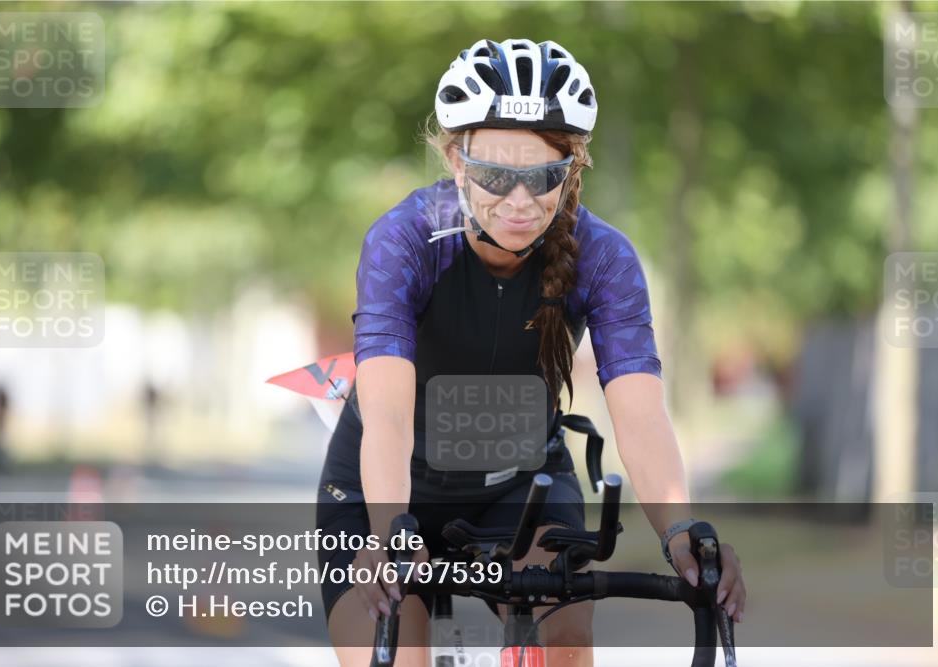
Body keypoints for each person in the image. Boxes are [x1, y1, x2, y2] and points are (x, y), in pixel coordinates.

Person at [316, 38, 746, 666]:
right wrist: (387, 535)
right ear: (456, 163)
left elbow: (641, 414)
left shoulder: (604, 256)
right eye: (495, 175)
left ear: (572, 170)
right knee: (396, 651)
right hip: (383, 487)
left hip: (519, 486)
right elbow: (385, 416)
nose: (519, 202)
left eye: (544, 176)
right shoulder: (403, 239)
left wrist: (681, 533)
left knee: (565, 639)